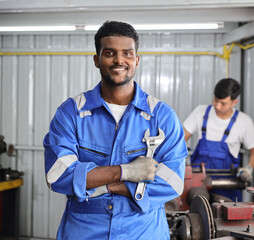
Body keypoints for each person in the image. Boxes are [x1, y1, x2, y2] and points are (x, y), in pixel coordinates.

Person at [43, 21, 187, 240]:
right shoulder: (71, 113)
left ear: (137, 60)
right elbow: (58, 175)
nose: (119, 60)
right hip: (85, 232)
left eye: (127, 53)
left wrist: (105, 185)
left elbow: (173, 183)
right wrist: (125, 172)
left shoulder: (162, 116)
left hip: (143, 231)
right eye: (110, 53)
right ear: (97, 60)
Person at [183, 78, 254, 202]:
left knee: (225, 216)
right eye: (215, 100)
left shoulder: (244, 122)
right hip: (198, 184)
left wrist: (248, 169)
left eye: (223, 103)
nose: (218, 106)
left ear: (234, 102)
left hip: (227, 186)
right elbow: (180, 139)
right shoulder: (200, 113)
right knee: (197, 209)